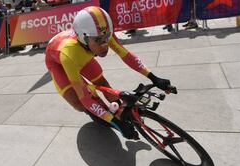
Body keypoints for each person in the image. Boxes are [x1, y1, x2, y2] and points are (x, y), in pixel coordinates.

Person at [45, 6, 172, 139]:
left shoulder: (101, 33)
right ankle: (101, 114)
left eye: (107, 37)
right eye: (99, 40)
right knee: (80, 104)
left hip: (82, 53)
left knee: (102, 83)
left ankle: (118, 110)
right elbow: (84, 98)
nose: (105, 44)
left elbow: (127, 56)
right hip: (59, 62)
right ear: (84, 38)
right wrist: (117, 124)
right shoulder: (68, 55)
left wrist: (153, 77)